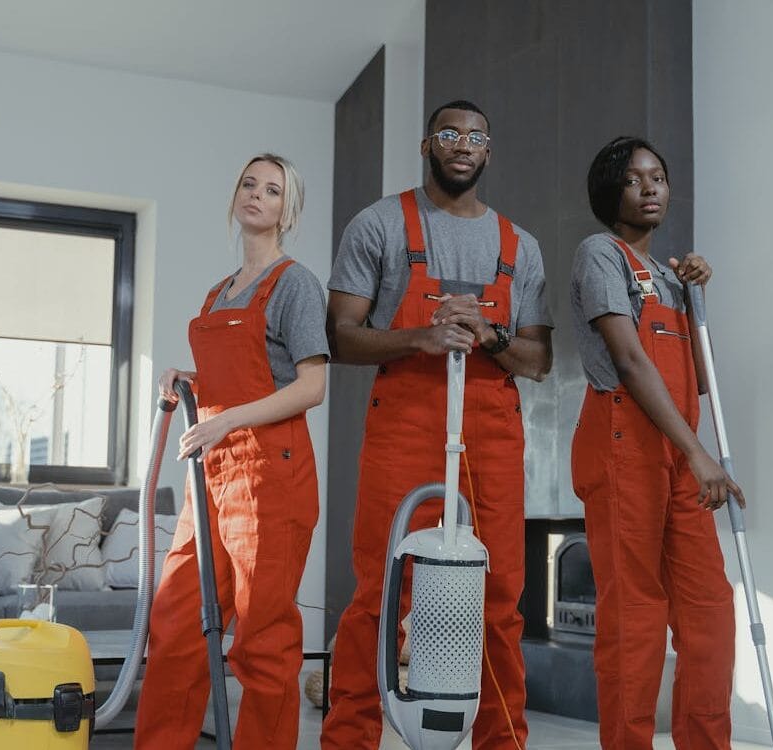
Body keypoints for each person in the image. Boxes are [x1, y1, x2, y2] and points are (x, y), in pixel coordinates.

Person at [321, 99, 553, 749]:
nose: (462, 144)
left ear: (488, 151)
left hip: (491, 428)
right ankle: (348, 739)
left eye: (476, 136)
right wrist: (421, 336)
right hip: (405, 421)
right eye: (449, 133)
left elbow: (538, 359)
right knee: (380, 589)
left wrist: (490, 332)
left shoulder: (520, 246)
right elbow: (340, 337)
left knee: (500, 597)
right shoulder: (379, 224)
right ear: (427, 145)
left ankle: (501, 740)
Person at [134, 153, 329, 749]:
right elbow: (236, 376)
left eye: (272, 190)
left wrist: (229, 422)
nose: (256, 195)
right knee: (175, 620)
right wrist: (187, 378)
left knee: (262, 637)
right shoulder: (221, 292)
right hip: (212, 468)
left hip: (270, 472)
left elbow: (311, 386)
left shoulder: (294, 282)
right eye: (249, 184)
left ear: (286, 211)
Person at [569, 136, 745, 750]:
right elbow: (629, 359)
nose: (650, 188)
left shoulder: (671, 280)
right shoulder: (601, 254)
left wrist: (699, 300)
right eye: (634, 179)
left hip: (675, 456)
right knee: (634, 619)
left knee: (710, 614)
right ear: (609, 191)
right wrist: (699, 455)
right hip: (623, 447)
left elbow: (701, 378)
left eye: (659, 177)